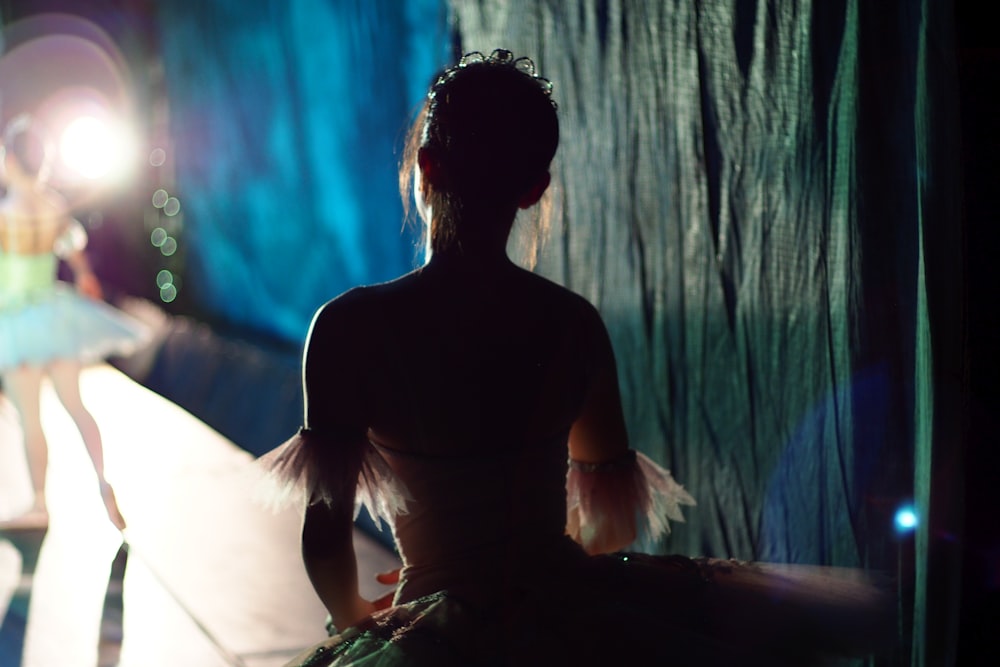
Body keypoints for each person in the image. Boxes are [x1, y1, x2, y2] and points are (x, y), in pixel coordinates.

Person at [262, 50, 893, 666]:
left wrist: (375, 627)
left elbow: (325, 544)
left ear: (425, 167)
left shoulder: (349, 328)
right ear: (534, 188)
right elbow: (610, 528)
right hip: (578, 617)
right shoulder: (572, 324)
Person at [0, 114, 144, 532]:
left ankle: (40, 503)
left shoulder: (5, 212)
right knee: (76, 406)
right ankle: (103, 482)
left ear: (10, 160)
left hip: (15, 322)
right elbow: (79, 264)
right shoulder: (53, 208)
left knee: (31, 418)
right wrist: (84, 278)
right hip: (54, 317)